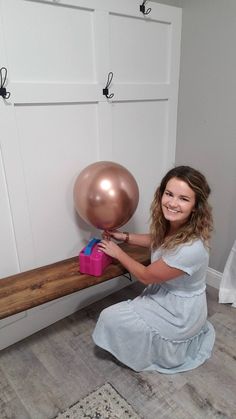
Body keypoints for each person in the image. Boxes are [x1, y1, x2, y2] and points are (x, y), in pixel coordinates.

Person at [92, 166, 215, 374]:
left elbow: (147, 276)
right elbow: (157, 240)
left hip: (179, 313)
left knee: (108, 317)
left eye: (184, 199)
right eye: (169, 194)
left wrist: (118, 253)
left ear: (196, 206)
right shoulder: (175, 225)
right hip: (166, 294)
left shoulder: (190, 249)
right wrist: (126, 237)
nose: (172, 203)